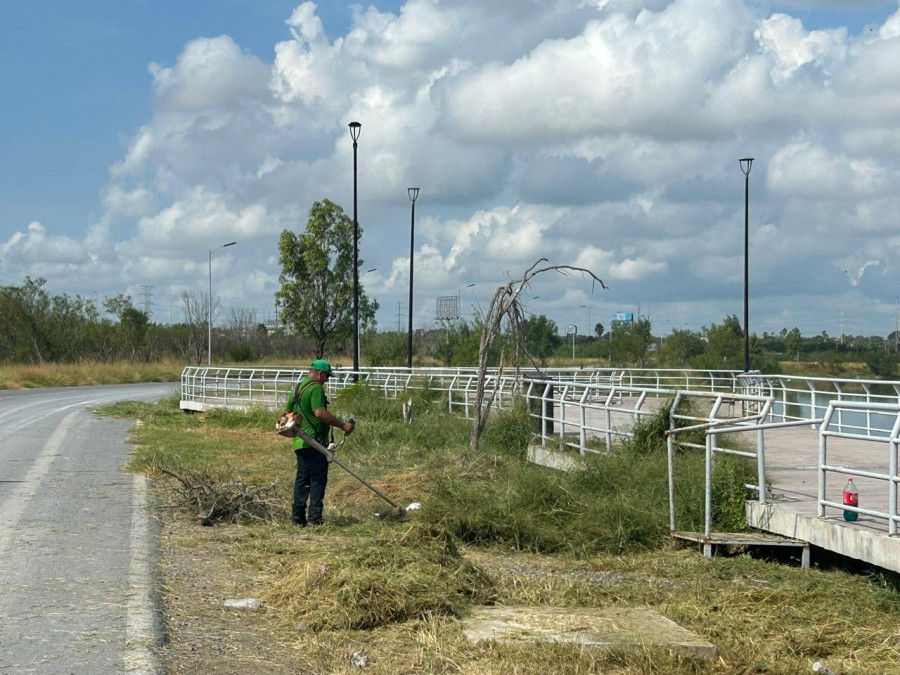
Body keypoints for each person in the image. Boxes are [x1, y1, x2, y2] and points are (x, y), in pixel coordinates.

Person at [285, 359, 355, 526]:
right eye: (327, 376)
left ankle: (297, 517)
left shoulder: (298, 387)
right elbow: (320, 413)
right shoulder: (316, 388)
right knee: (317, 479)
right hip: (315, 442)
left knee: (302, 479)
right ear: (319, 374)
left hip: (300, 441)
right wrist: (343, 425)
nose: (327, 380)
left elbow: (288, 412)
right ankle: (315, 519)